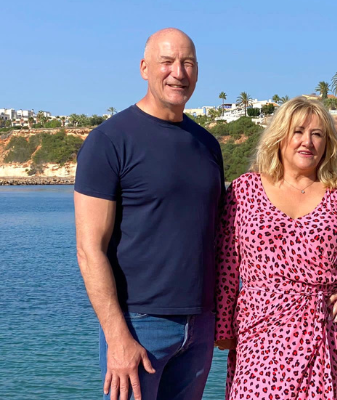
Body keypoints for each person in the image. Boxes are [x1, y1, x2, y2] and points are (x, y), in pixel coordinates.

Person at [214, 96, 337, 400]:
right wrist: (223, 328)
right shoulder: (245, 190)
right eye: (298, 132)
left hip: (328, 335)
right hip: (259, 334)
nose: (307, 142)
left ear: (327, 143)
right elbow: (226, 266)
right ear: (280, 137)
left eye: (317, 134)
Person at [74, 28, 224, 400]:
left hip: (201, 325)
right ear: (144, 68)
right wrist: (117, 337)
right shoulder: (109, 141)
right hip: (139, 325)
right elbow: (90, 249)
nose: (179, 73)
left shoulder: (207, 144)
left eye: (188, 63)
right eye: (167, 62)